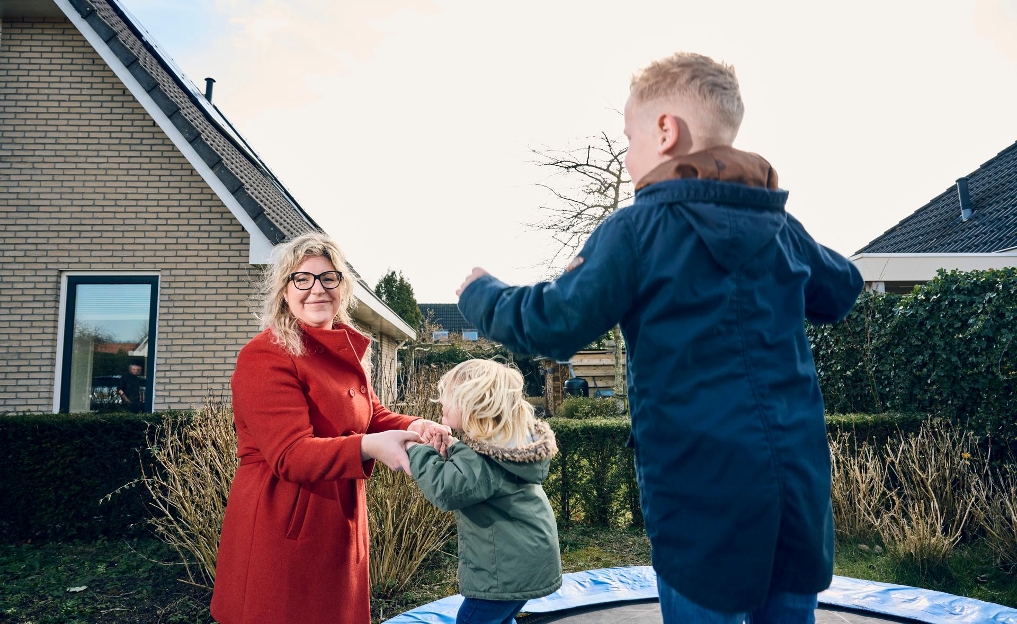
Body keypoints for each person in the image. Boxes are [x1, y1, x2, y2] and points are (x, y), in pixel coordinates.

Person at [456, 53, 864, 623]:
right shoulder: (782, 231)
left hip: (702, 498)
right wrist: (766, 214)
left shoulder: (637, 231)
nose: (626, 157)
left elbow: (552, 322)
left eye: (629, 138)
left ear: (666, 131)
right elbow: (842, 287)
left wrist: (480, 293)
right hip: (797, 492)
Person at [210, 232, 451, 624]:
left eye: (328, 278)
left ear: (343, 287)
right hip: (283, 529)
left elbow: (370, 415)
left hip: (337, 521)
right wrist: (371, 447)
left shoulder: (340, 347)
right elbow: (291, 454)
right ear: (284, 291)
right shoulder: (265, 355)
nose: (316, 289)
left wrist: (416, 425)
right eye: (302, 279)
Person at [405, 359, 562, 624]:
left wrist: (416, 450)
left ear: (474, 405)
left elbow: (445, 489)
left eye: (448, 396)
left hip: (504, 573)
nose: (440, 400)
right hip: (524, 562)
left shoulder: (486, 461)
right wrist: (453, 445)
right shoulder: (504, 448)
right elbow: (474, 464)